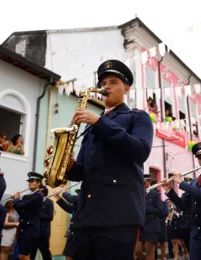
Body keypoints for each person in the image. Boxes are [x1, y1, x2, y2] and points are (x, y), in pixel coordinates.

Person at [65, 59, 154, 260]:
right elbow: (82, 171)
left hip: (119, 215)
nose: (106, 87)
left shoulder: (137, 117)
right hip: (86, 215)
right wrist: (68, 166)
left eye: (113, 82)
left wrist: (100, 122)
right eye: (103, 83)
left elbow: (141, 151)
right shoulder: (92, 124)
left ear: (126, 88)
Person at [13, 172, 44, 260]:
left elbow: (21, 205)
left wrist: (16, 199)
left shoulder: (38, 195)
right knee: (21, 256)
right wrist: (16, 201)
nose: (30, 183)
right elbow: (21, 211)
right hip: (24, 229)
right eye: (29, 181)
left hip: (30, 230)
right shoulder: (30, 196)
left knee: (24, 256)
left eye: (32, 181)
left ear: (38, 183)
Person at [135, 174, 162, 260]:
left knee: (149, 252)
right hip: (141, 225)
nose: (142, 184)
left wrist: (144, 207)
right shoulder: (139, 193)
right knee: (137, 251)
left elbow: (159, 210)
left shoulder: (155, 194)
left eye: (144, 182)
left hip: (152, 225)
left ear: (149, 182)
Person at [30, 187, 54, 260]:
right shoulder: (33, 202)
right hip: (33, 232)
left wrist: (38, 212)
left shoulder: (49, 202)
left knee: (45, 253)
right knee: (32, 254)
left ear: (43, 193)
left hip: (43, 233)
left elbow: (50, 217)